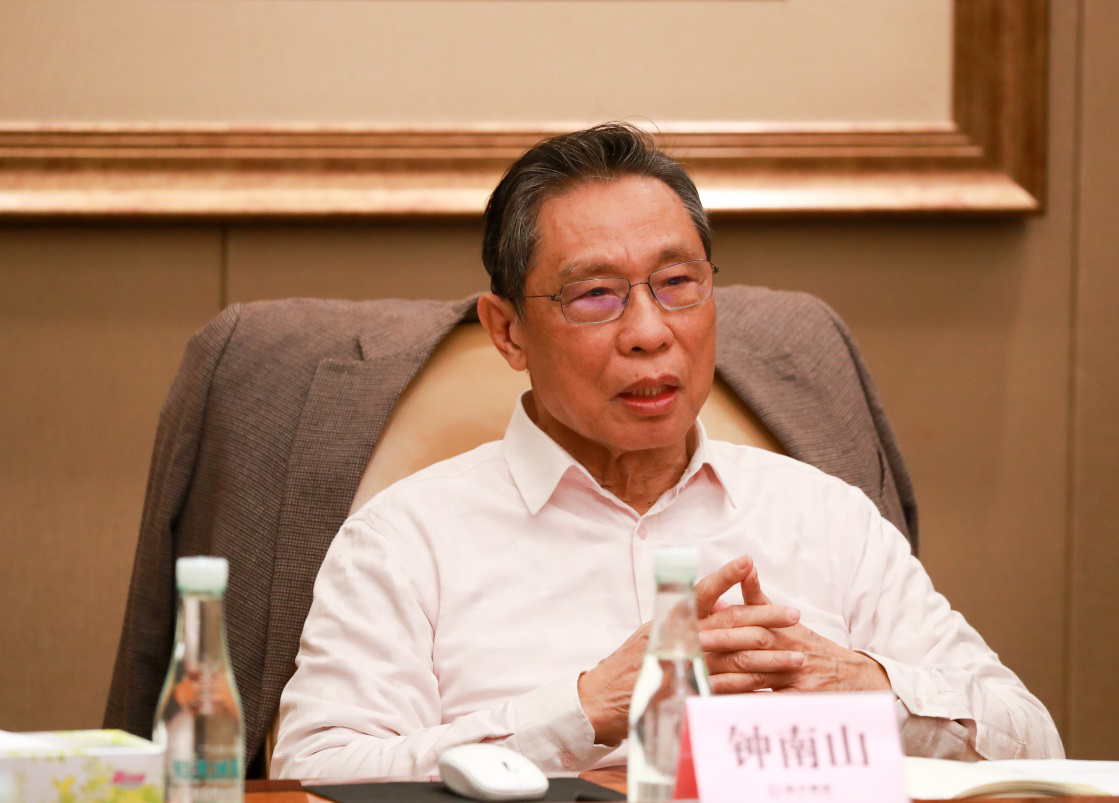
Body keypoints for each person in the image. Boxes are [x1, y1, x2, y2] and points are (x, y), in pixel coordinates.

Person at [271, 122, 1063, 779]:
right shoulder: (406, 539)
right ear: (508, 330)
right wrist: (586, 709)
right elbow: (315, 772)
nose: (650, 332)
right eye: (595, 294)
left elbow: (1033, 741)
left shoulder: (825, 516)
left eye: (678, 282)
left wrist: (863, 686)